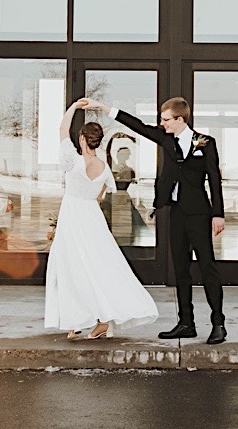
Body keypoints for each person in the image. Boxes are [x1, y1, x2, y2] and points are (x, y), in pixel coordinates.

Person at [82, 96, 227, 345]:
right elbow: (136, 125)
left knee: (207, 268)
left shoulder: (204, 142)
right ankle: (186, 323)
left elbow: (214, 178)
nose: (162, 124)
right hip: (176, 213)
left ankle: (218, 324)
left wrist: (218, 213)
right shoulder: (165, 139)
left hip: (199, 214)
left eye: (166, 120)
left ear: (180, 119)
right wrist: (106, 108)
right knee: (180, 270)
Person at [45, 99, 159, 340]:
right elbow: (99, 197)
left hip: (72, 217)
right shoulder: (105, 169)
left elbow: (61, 129)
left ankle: (78, 322)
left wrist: (74, 107)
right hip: (92, 220)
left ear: (82, 140)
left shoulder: (72, 160)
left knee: (70, 267)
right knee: (96, 266)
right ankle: (97, 320)